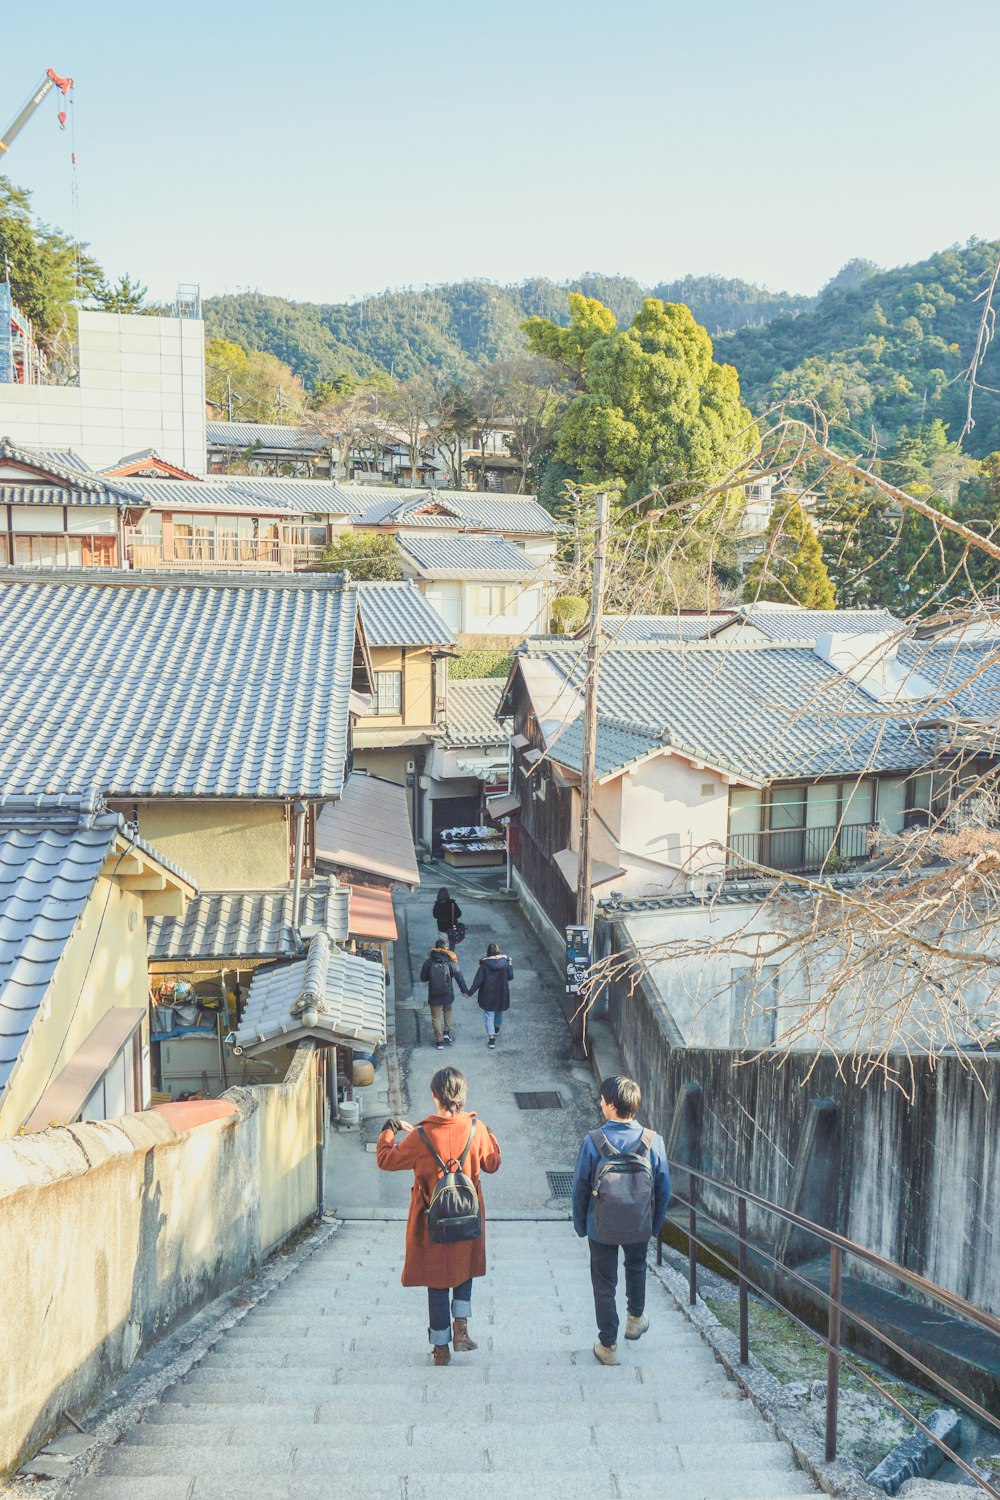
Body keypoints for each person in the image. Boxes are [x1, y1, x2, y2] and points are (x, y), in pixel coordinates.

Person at [376, 1066, 501, 1365]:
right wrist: (491, 1136)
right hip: (467, 1215)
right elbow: (493, 1163)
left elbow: (386, 1160)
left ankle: (441, 1348)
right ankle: (462, 1327)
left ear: (434, 1096)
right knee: (464, 1267)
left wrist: (389, 1128)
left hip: (431, 1219)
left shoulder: (422, 1135)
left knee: (436, 1282)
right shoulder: (476, 1128)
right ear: (462, 1095)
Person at [571, 1075, 670, 1366]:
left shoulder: (594, 1141)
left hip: (600, 1225)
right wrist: (654, 1225)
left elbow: (579, 1186)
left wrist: (580, 1224)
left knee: (603, 1283)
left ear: (612, 1106)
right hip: (639, 1223)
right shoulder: (653, 1142)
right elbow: (663, 1187)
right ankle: (635, 1319)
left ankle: (608, 1345)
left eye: (602, 1100)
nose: (600, 1104)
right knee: (636, 1267)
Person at [419, 936, 468, 1049]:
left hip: (434, 994)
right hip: (447, 992)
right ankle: (447, 1032)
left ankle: (439, 1042)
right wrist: (464, 990)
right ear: (446, 949)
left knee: (436, 1018)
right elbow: (459, 977)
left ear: (435, 948)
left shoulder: (429, 962)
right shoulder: (450, 961)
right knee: (448, 1010)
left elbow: (423, 978)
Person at [467, 942, 514, 1048]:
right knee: (499, 1012)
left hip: (488, 994)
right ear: (498, 951)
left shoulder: (484, 965)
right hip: (502, 992)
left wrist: (469, 992)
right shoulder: (505, 963)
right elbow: (510, 976)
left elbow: (478, 981)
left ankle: (491, 1039)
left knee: (489, 1015)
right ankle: (497, 1028)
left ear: (488, 952)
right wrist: (510, 964)